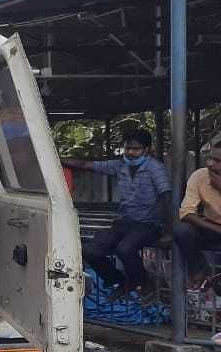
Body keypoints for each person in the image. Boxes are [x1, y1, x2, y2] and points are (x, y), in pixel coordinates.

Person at [64, 128, 171, 300]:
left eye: (135, 149)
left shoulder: (155, 168)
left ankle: (143, 282)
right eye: (127, 148)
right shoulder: (120, 165)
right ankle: (119, 281)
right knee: (90, 250)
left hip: (149, 223)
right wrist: (56, 160)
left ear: (146, 149)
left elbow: (166, 196)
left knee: (125, 249)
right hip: (125, 221)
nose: (130, 152)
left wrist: (169, 229)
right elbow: (86, 166)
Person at [173, 145, 221, 274]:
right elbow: (186, 213)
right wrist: (216, 228)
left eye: (217, 161)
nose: (210, 163)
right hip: (212, 227)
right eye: (210, 158)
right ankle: (200, 270)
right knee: (182, 230)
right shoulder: (200, 175)